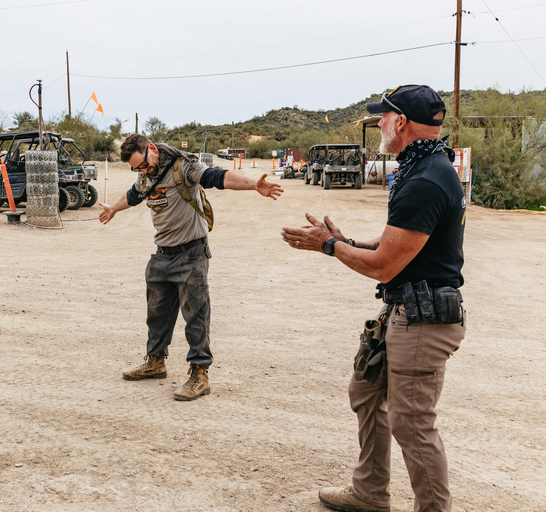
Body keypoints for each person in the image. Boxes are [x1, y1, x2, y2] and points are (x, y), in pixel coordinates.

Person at [281, 85, 466, 512]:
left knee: (413, 424)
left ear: (400, 122)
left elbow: (383, 265)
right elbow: (392, 243)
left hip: (423, 319)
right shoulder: (423, 168)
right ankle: (369, 492)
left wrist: (328, 246)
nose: (378, 123)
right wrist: (345, 240)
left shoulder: (426, 178)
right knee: (366, 391)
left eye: (383, 117)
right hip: (406, 308)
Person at [100, 134, 283, 401]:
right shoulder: (145, 176)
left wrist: (253, 184)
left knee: (196, 317)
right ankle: (155, 362)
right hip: (162, 255)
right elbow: (134, 195)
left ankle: (200, 374)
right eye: (137, 168)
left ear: (152, 149)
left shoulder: (183, 166)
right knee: (157, 314)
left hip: (191, 254)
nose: (144, 171)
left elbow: (217, 177)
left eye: (146, 164)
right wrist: (114, 209)